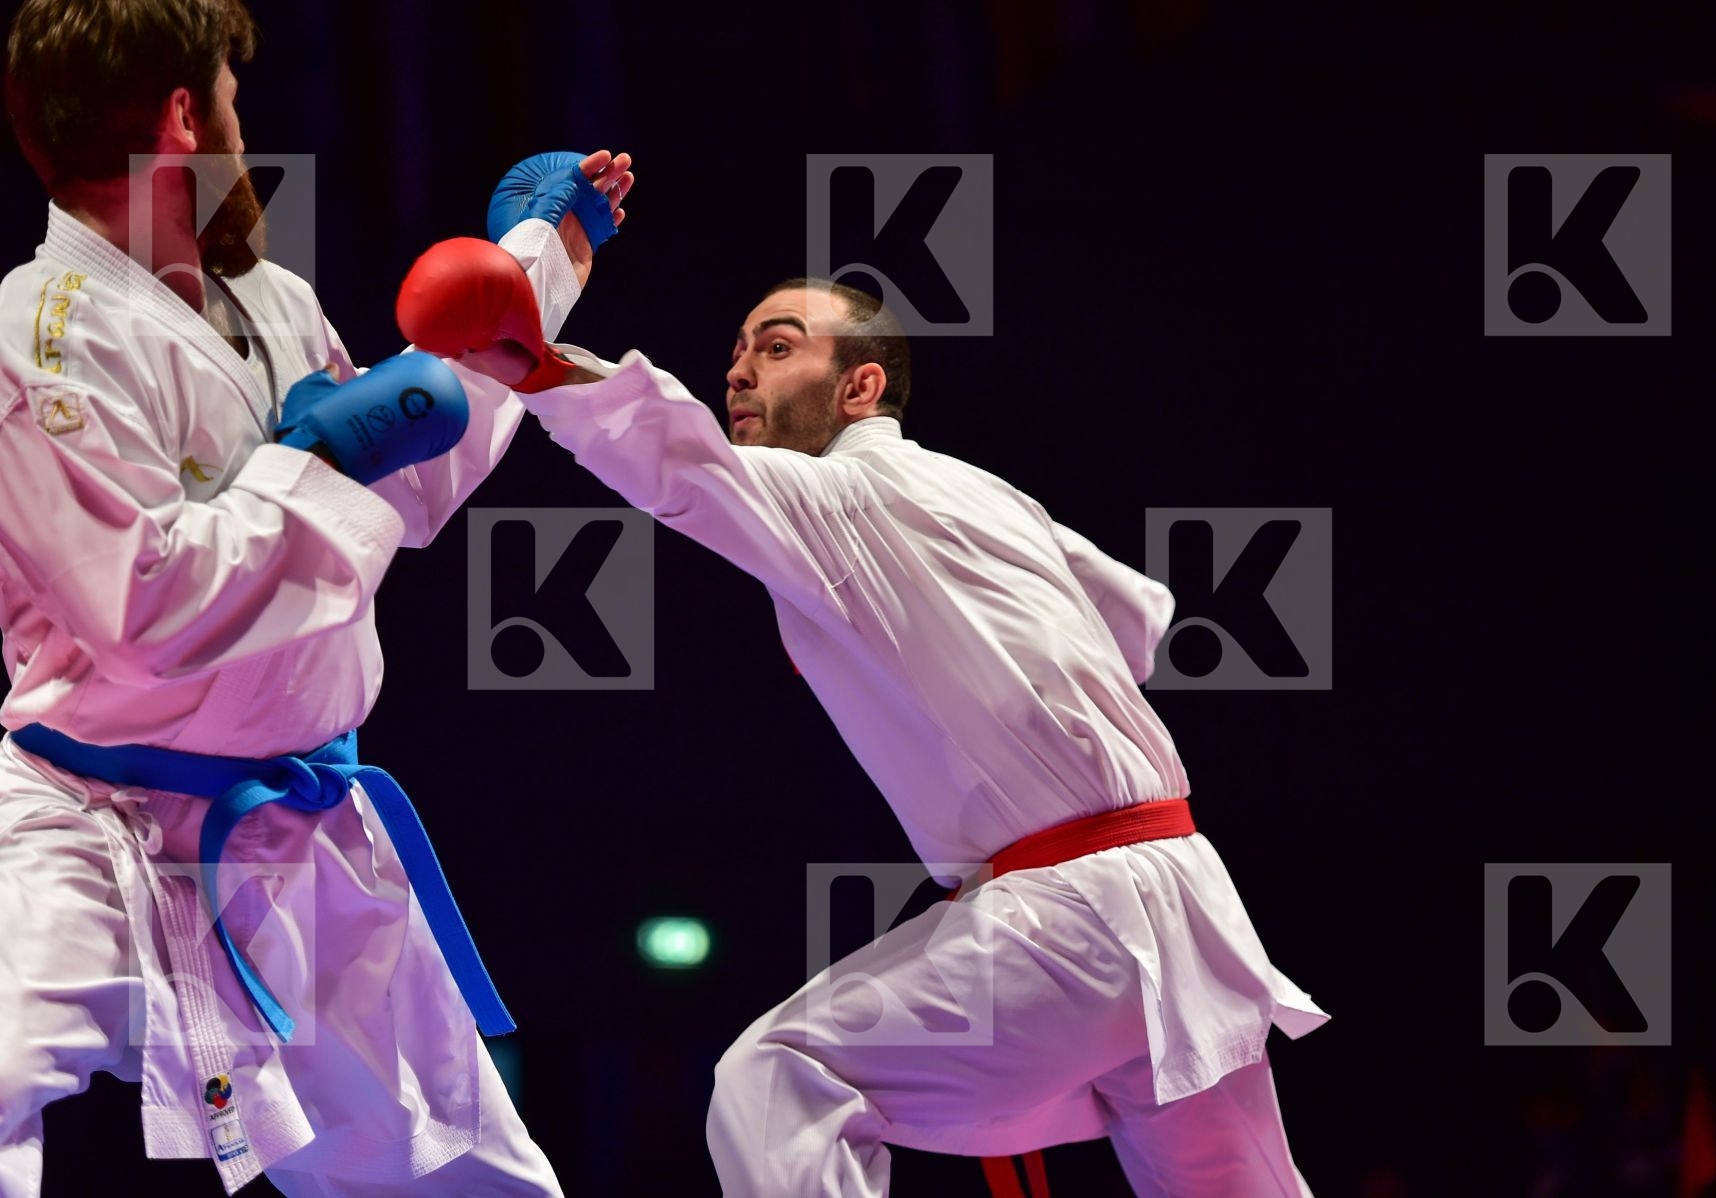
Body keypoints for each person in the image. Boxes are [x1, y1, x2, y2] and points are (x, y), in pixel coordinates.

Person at [442, 260, 1330, 1194]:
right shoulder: (988, 493)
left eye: (778, 349)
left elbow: (682, 461)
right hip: (1182, 899)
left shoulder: (842, 496)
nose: (739, 372)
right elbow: (1140, 620)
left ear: (860, 387)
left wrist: (537, 368)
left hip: (1074, 914)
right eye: (736, 353)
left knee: (781, 1077)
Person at [0, 1, 631, 1193]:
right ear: (184, 117)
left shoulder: (271, 302)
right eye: (233, 94)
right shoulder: (36, 337)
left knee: (468, 1178)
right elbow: (147, 611)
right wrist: (318, 462)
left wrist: (536, 270)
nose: (249, 123)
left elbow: (411, 474)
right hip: (89, 823)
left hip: (298, 826)